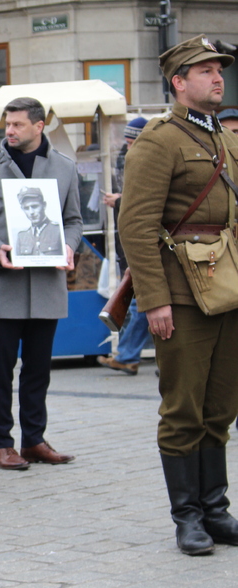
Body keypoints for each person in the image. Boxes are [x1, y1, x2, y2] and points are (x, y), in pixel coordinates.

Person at [119, 35, 238, 556]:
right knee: (183, 408)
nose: (217, 77)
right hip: (182, 294)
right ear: (179, 82)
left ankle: (216, 509)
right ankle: (187, 517)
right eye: (205, 70)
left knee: (220, 409)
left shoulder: (228, 140)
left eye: (220, 69)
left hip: (229, 288)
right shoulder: (159, 139)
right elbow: (137, 225)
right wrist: (154, 299)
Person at [0, 96, 82, 471]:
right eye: (6, 125)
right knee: (1, 368)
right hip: (3, 286)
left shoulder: (64, 167)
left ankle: (34, 440)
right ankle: (1, 444)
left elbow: (73, 220)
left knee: (38, 369)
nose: (9, 131)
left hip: (46, 284)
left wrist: (70, 247)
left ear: (39, 125)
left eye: (17, 125)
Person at [98, 117, 150, 375]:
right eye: (127, 142)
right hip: (131, 245)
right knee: (139, 304)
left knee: (141, 304)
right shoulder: (131, 160)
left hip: (146, 246)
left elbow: (146, 203)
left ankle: (128, 355)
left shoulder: (151, 162)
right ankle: (128, 355)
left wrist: (120, 201)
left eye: (133, 142)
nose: (129, 147)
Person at [14, 187, 64, 256]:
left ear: (44, 205)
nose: (31, 212)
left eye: (35, 206)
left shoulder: (58, 230)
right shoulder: (21, 236)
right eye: (26, 208)